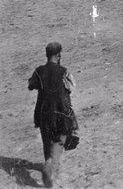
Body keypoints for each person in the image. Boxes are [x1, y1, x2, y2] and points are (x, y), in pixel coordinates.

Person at [28, 42, 78, 188]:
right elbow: (72, 86)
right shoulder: (64, 71)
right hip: (60, 111)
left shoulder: (38, 71)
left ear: (47, 55)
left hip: (43, 111)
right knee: (59, 140)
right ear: (58, 55)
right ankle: (49, 166)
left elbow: (31, 85)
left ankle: (47, 163)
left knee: (46, 139)